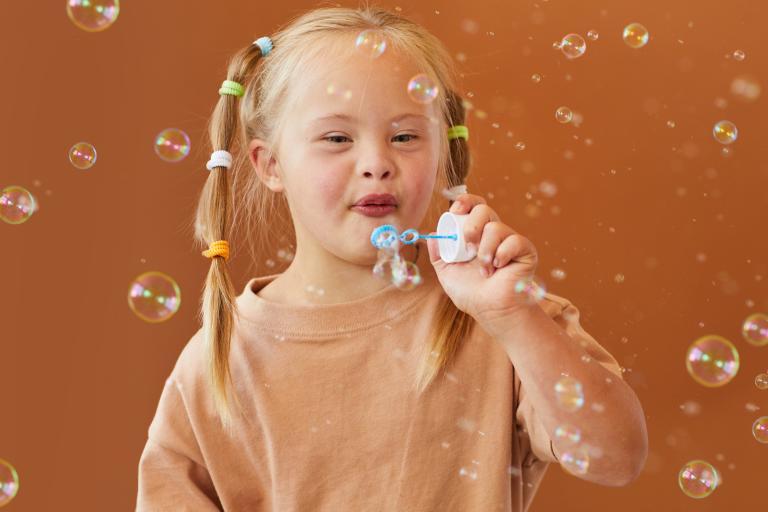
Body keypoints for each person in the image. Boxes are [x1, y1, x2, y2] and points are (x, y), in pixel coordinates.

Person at [136, 5, 647, 511]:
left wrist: (515, 318)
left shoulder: (497, 317)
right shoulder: (217, 365)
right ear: (270, 165)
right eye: (336, 138)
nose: (377, 164)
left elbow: (614, 457)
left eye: (405, 137)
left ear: (442, 153)